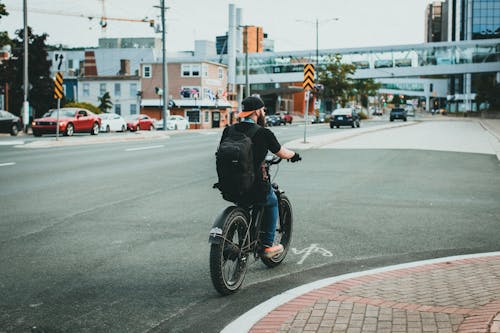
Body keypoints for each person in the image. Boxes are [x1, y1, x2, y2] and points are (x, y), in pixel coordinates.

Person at [219, 96, 301, 259]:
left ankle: (237, 229)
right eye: (263, 110)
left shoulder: (229, 130)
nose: (263, 112)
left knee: (243, 201)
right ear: (257, 112)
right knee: (271, 201)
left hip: (230, 184)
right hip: (255, 185)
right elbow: (281, 152)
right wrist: (294, 155)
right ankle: (266, 246)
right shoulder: (263, 133)